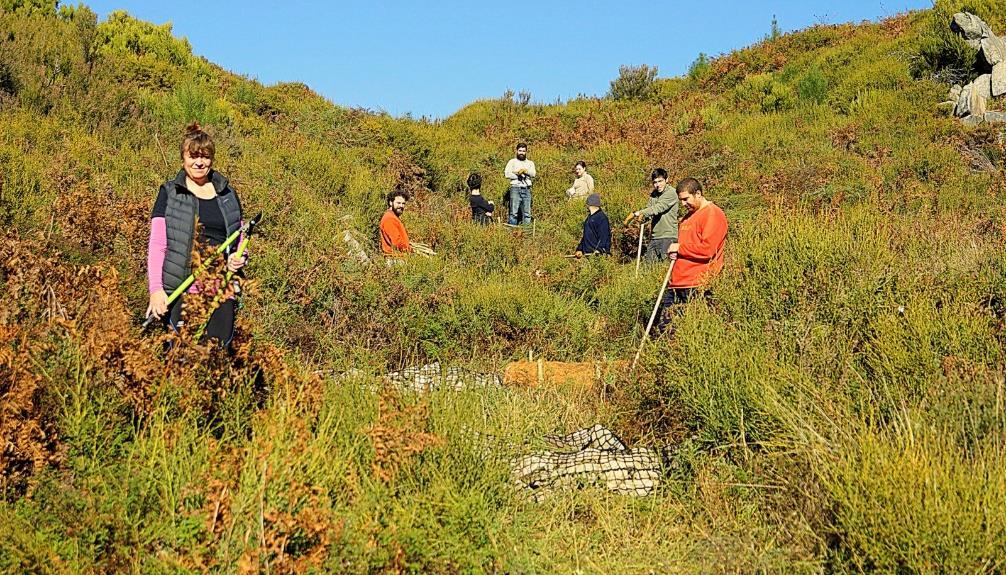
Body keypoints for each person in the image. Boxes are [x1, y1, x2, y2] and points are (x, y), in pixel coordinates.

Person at [146, 122, 247, 347]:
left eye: (205, 156)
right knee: (181, 356)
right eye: (193, 156)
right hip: (181, 289)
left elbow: (239, 239)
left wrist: (239, 259)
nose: (199, 162)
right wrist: (156, 290)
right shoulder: (170, 193)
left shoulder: (228, 194)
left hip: (221, 289)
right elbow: (158, 245)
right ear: (183, 159)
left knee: (216, 355)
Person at [657, 177, 728, 331]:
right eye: (680, 200)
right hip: (677, 283)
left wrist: (680, 248)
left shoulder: (712, 214)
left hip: (697, 284)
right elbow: (685, 246)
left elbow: (708, 249)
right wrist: (675, 252)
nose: (683, 204)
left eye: (686, 199)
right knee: (665, 330)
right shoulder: (687, 217)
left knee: (694, 330)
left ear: (698, 194)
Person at [504, 142, 536, 225]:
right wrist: (517, 175)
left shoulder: (530, 163)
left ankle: (526, 232)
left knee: (527, 213)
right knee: (513, 213)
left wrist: (526, 171)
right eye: (520, 150)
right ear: (516, 151)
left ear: (526, 152)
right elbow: (507, 174)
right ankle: (512, 232)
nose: (521, 153)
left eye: (523, 151)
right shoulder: (512, 162)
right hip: (515, 188)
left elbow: (533, 174)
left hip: (526, 188)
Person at [575, 193, 611, 257]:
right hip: (588, 254)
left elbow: (604, 236)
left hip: (598, 255)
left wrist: (600, 250)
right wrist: (580, 249)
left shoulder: (602, 218)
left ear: (589, 204)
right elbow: (585, 236)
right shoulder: (589, 218)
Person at [380, 189, 412, 258]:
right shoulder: (389, 219)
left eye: (403, 203)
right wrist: (409, 249)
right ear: (391, 203)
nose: (401, 206)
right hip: (395, 259)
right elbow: (397, 241)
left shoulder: (393, 217)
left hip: (398, 257)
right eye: (398, 203)